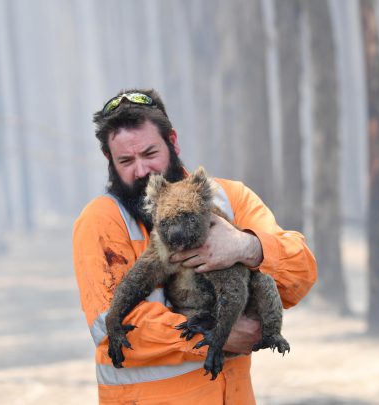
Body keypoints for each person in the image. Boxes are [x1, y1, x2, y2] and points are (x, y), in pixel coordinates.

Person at [72, 89, 317, 404]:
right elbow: (106, 325)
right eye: (126, 160)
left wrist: (247, 246)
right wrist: (212, 334)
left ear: (173, 142)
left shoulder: (229, 197)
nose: (141, 170)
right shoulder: (101, 220)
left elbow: (300, 273)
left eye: (149, 153)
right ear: (109, 159)